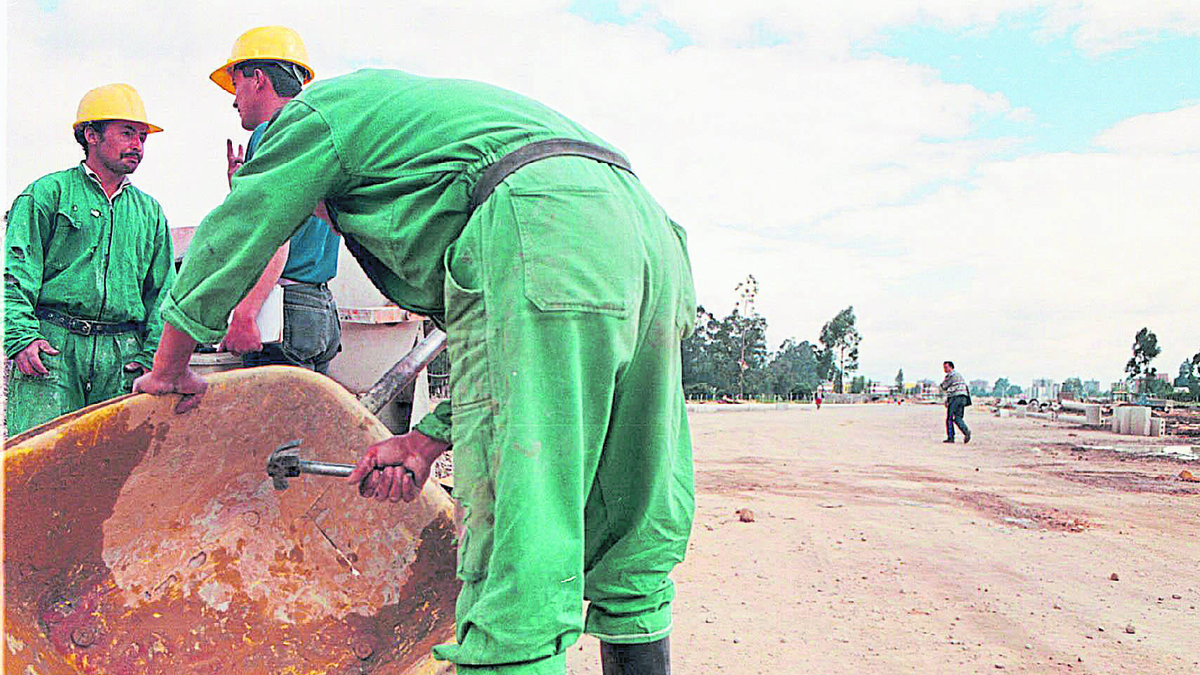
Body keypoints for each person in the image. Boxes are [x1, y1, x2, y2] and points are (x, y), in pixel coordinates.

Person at [134, 68, 696, 675]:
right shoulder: (415, 131)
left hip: (538, 221)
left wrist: (170, 366)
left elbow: (240, 225)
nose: (322, 221)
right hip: (646, 233)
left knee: (520, 535)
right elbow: (503, 364)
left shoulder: (311, 120)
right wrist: (423, 442)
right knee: (631, 513)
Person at [4, 84, 174, 437]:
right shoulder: (46, 195)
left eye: (142, 137)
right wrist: (22, 337)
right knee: (40, 455)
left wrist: (153, 358)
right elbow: (16, 273)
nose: (138, 145)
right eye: (127, 133)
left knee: (117, 463)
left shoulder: (150, 213)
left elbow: (163, 294)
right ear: (91, 135)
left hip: (123, 358)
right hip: (53, 349)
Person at [211, 26, 341, 373]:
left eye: (236, 84)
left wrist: (246, 312)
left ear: (257, 79)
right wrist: (241, 193)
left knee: (269, 411)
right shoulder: (317, 132)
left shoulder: (269, 133)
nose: (234, 100)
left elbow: (276, 233)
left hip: (281, 312)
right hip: (319, 309)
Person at [939, 360, 971, 443]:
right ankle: (966, 431)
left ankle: (951, 437)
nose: (945, 369)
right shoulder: (959, 375)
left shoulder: (951, 375)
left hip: (956, 398)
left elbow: (944, 386)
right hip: (963, 398)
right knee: (958, 418)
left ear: (951, 367)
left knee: (949, 418)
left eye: (946, 367)